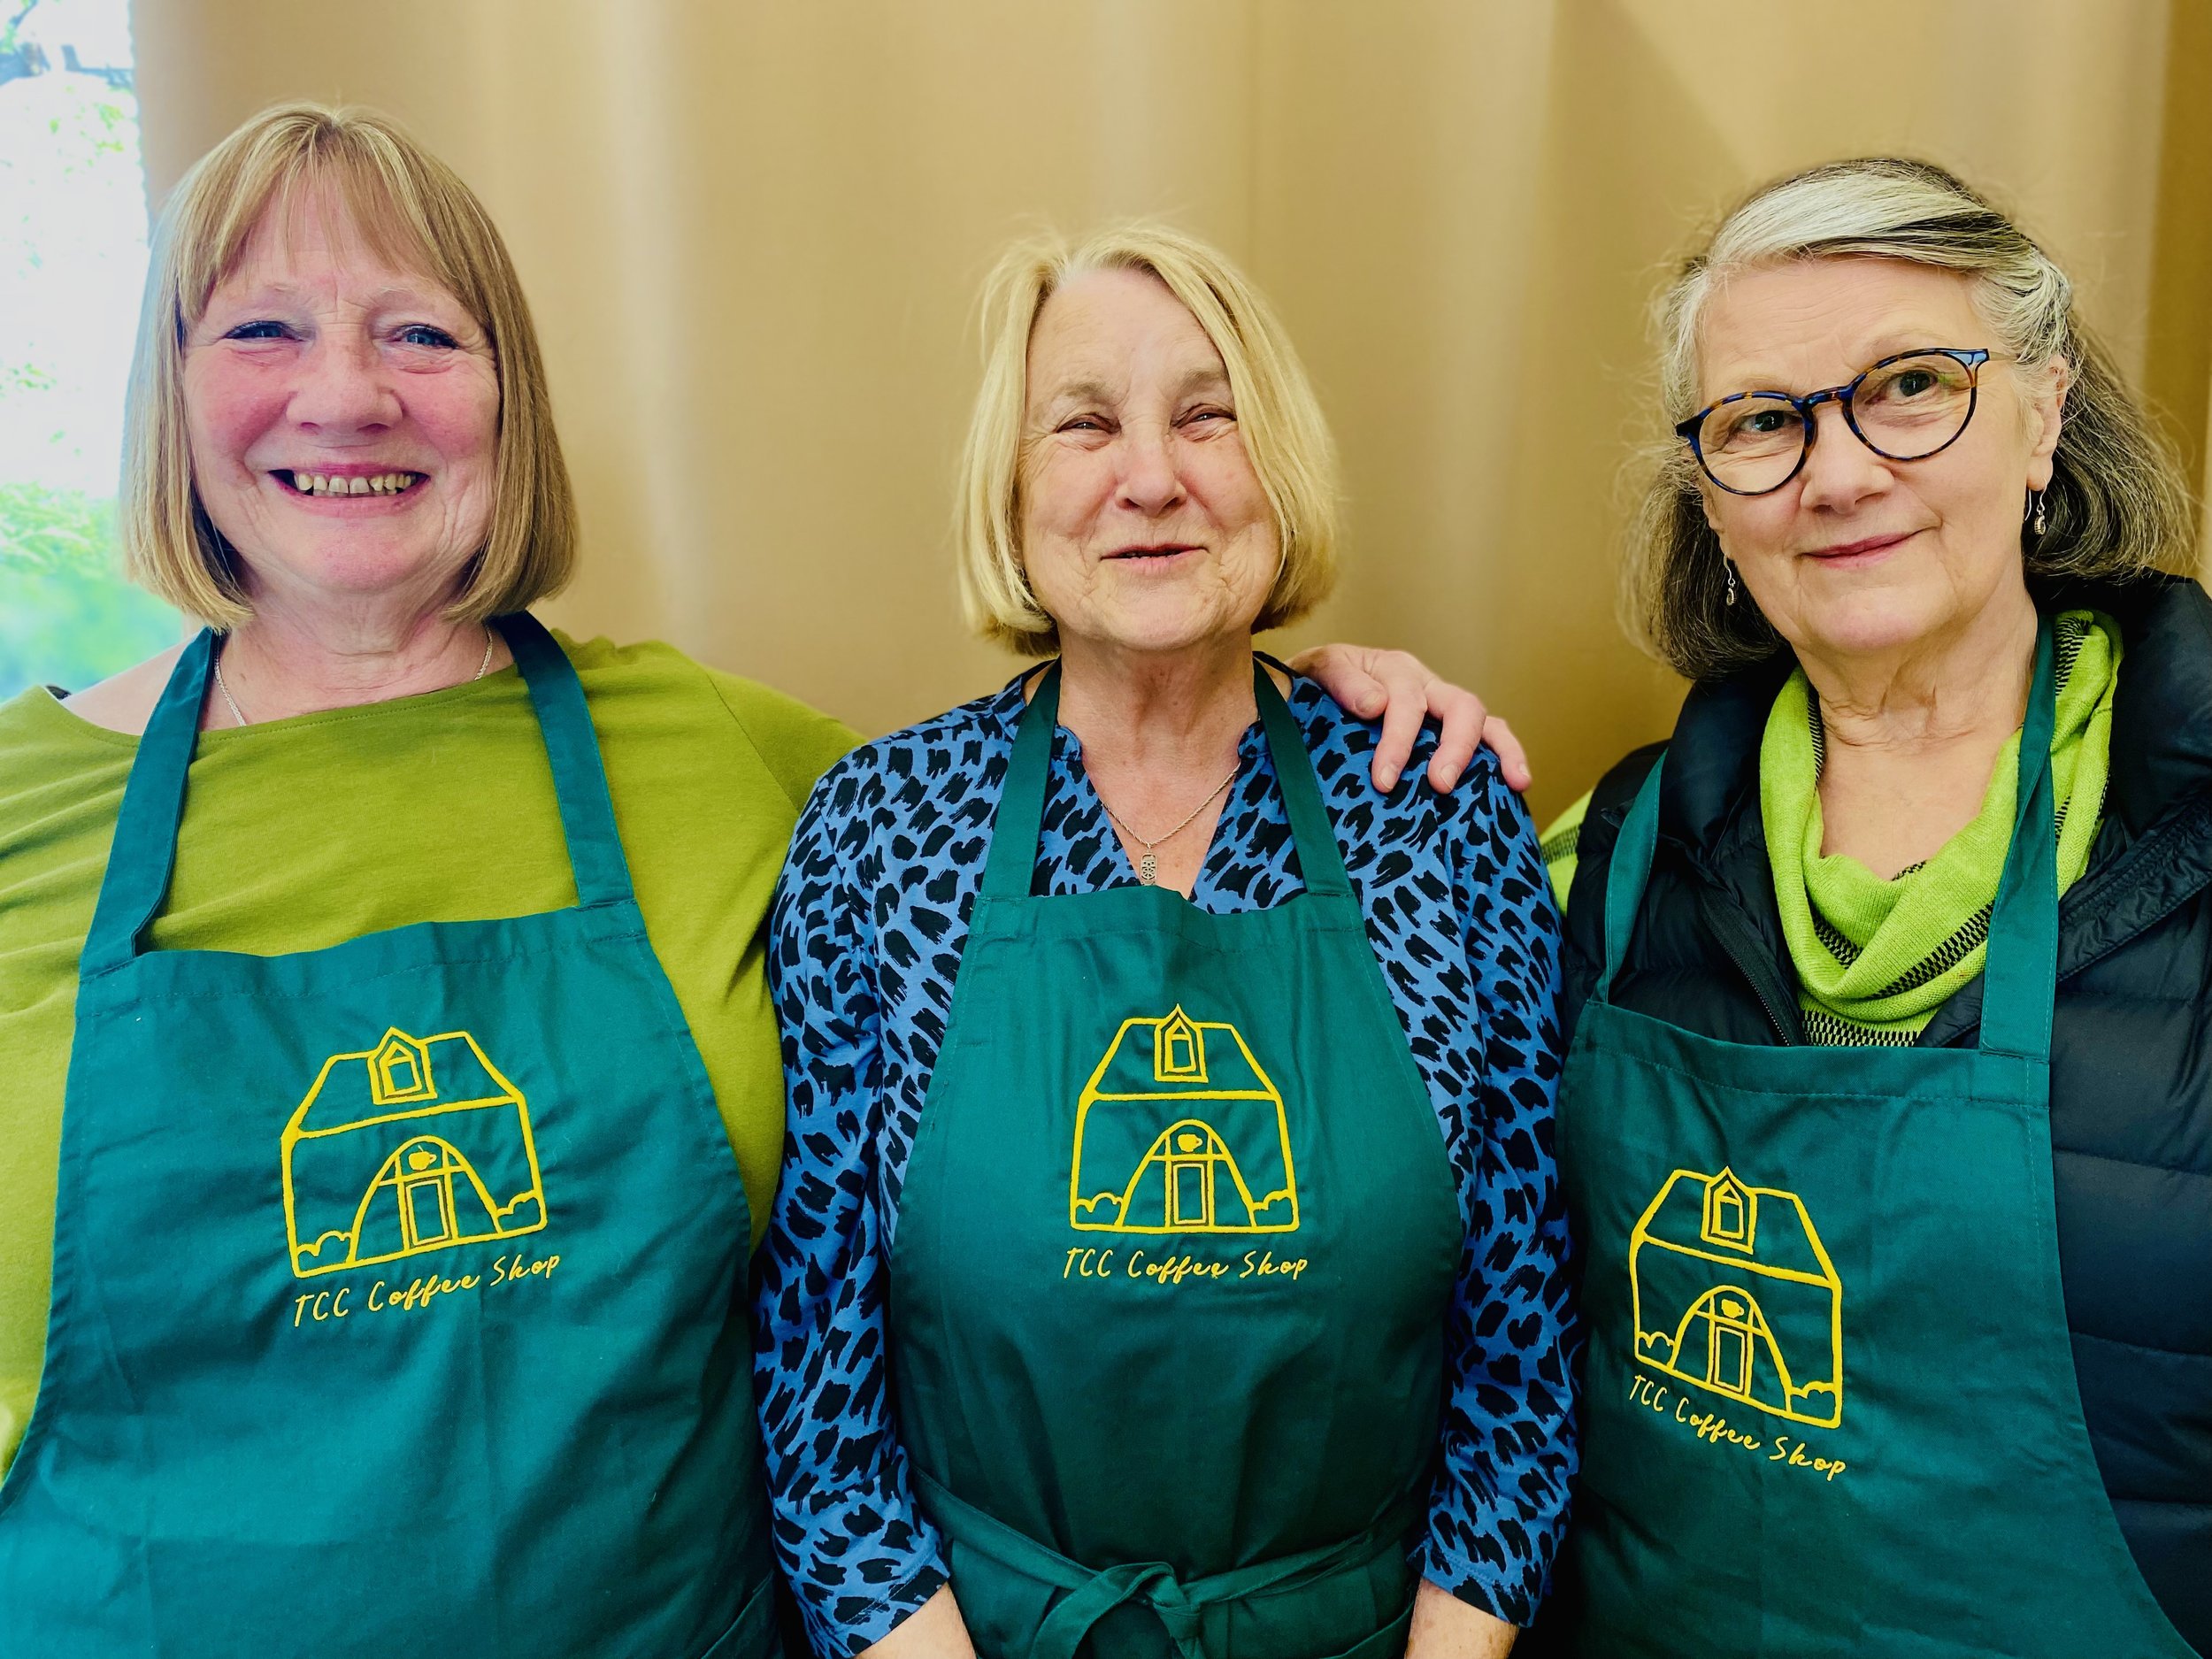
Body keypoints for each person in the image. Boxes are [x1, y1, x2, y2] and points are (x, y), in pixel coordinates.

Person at [0, 103, 1509, 1657]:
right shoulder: (21, 812)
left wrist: (1318, 684)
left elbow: (1119, 726)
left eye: (418, 334)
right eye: (261, 328)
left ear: (507, 396)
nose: (345, 394)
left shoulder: (722, 755)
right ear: (167, 394)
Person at [757, 222, 1575, 1659]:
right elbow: (820, 1385)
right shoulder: (880, 830)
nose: (1153, 476)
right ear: (1011, 492)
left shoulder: (1436, 818)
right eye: (1084, 424)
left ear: (1280, 469)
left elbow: (1524, 1361)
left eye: (1210, 416)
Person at [1535, 159, 2208, 1655]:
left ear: (2045, 414)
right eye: (1764, 421)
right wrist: (1297, 725)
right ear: (1712, 501)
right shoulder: (1613, 858)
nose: (1836, 474)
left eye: (1910, 386)